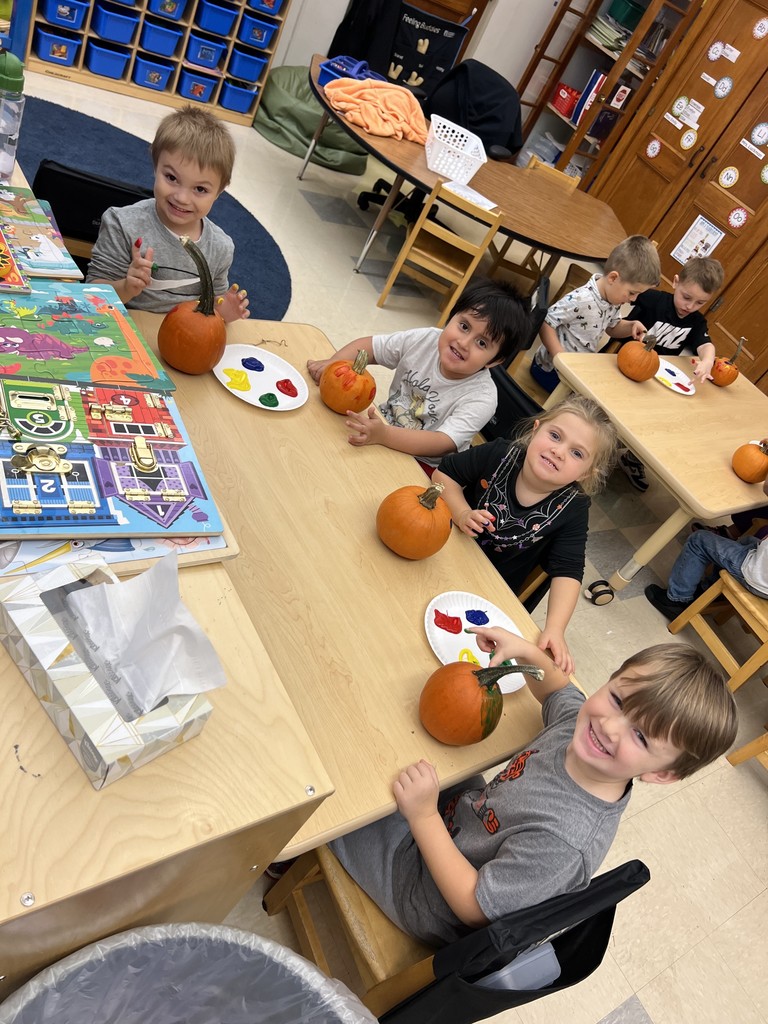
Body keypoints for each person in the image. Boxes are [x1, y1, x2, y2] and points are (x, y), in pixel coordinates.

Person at [330, 637, 737, 947]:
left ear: (662, 774)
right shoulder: (578, 727)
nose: (609, 726)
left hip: (424, 893)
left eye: (641, 737)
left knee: (341, 791)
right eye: (617, 699)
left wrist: (423, 817)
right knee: (392, 732)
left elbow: (474, 908)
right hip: (461, 820)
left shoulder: (564, 844)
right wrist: (526, 652)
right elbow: (557, 689)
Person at [432, 395, 618, 674]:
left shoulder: (574, 508)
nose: (558, 451)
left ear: (585, 473)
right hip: (440, 553)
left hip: (487, 596)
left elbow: (568, 571)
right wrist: (461, 513)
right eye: (555, 436)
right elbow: (445, 475)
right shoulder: (499, 453)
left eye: (577, 453)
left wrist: (555, 629)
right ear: (535, 430)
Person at [307, 279, 530, 474]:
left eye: (481, 343)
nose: (463, 343)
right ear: (451, 316)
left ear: (495, 360)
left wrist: (385, 436)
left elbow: (442, 442)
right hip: (381, 427)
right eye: (464, 326)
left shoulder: (482, 398)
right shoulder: (425, 339)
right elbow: (370, 347)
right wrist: (333, 365)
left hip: (422, 464)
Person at [87, 105, 249, 323]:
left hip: (186, 337)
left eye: (200, 189)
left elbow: (212, 307)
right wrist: (126, 287)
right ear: (156, 166)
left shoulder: (221, 247)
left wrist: (224, 312)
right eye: (172, 178)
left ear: (219, 191)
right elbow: (92, 295)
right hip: (125, 330)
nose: (182, 198)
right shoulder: (122, 224)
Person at [613, 257, 724, 492]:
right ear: (675, 282)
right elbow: (622, 295)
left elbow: (706, 344)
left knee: (659, 419)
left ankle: (632, 457)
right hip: (624, 368)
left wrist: (707, 361)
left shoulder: (696, 321)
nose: (689, 306)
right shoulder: (653, 299)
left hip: (658, 378)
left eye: (700, 302)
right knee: (614, 410)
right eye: (686, 297)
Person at [531, 235, 661, 394]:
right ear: (613, 278)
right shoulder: (581, 299)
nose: (633, 299)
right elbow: (546, 322)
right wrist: (560, 357)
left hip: (575, 368)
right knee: (593, 398)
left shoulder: (612, 300)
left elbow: (612, 328)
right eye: (632, 293)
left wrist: (631, 325)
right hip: (550, 371)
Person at [645, 476, 768, 618]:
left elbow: (766, 488)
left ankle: (677, 599)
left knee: (699, 540)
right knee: (747, 541)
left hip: (758, 578)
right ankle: (709, 591)